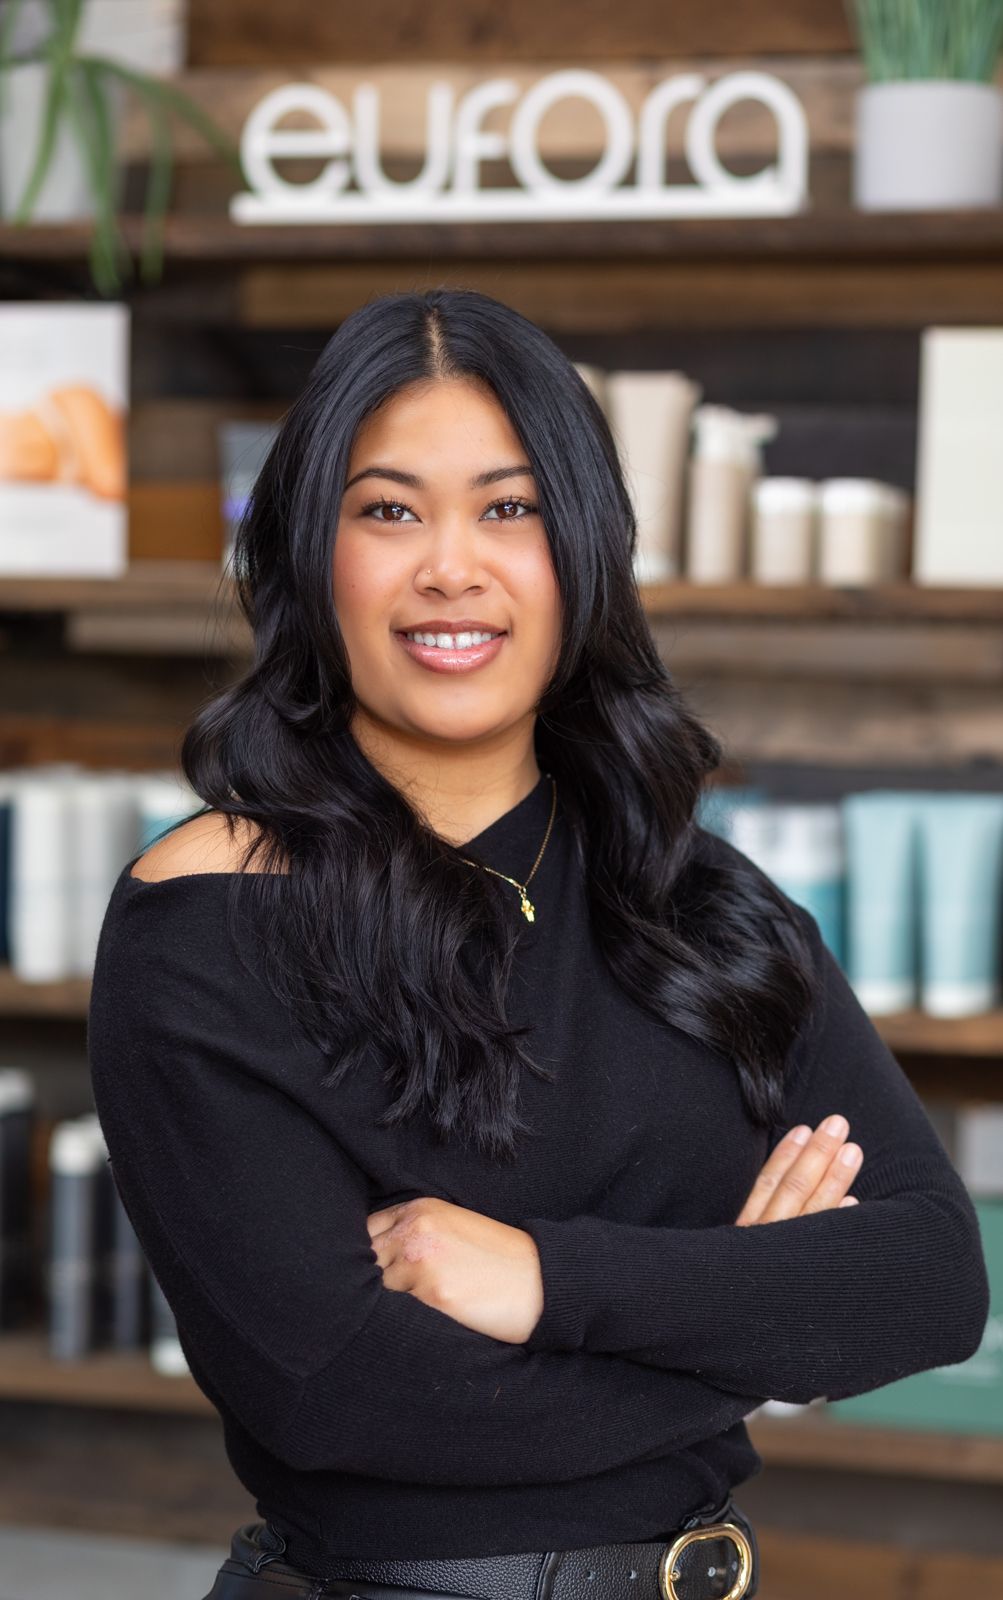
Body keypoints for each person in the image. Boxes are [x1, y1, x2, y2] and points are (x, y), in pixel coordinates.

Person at [87, 287, 989, 1600]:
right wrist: (759, 1313)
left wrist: (545, 1280)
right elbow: (345, 1397)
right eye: (389, 512)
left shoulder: (697, 899)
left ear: (582, 548)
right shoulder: (207, 922)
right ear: (309, 554)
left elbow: (932, 1279)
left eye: (508, 509)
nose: (451, 568)